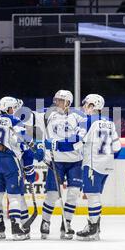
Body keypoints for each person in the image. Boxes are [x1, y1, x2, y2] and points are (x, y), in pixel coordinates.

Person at [0, 97, 36, 241]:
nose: (14, 111)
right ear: (8, 108)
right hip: (9, 160)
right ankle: (16, 228)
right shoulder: (14, 122)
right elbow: (25, 145)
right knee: (14, 196)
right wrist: (30, 169)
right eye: (13, 108)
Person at [75, 94, 121, 241]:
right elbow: (117, 147)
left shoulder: (87, 121)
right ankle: (96, 225)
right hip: (106, 164)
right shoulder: (110, 122)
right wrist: (106, 158)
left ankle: (93, 228)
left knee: (92, 197)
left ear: (93, 106)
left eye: (86, 104)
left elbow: (76, 142)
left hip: (92, 164)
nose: (84, 107)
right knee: (95, 196)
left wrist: (55, 145)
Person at [40, 90, 85, 240]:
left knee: (73, 194)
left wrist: (57, 145)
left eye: (60, 100)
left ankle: (67, 223)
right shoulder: (49, 115)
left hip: (75, 162)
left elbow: (78, 140)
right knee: (52, 194)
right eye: (56, 100)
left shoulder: (79, 117)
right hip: (56, 161)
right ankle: (45, 222)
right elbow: (29, 118)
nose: (57, 103)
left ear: (68, 102)